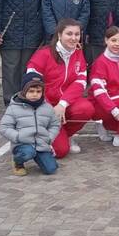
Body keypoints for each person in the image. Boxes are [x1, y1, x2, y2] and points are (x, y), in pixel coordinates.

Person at [25, 19, 95, 158]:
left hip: (64, 103)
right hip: (45, 106)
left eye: (77, 34)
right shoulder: (43, 54)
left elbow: (80, 82)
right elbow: (32, 86)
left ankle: (66, 134)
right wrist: (48, 108)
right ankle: (42, 135)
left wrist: (63, 104)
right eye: (69, 34)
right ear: (59, 34)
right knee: (61, 152)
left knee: (86, 108)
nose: (74, 38)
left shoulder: (78, 53)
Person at [0, 72, 60, 176]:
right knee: (27, 152)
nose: (35, 94)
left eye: (38, 91)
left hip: (41, 144)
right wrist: (17, 137)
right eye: (31, 91)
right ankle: (18, 162)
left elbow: (55, 124)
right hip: (22, 144)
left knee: (51, 169)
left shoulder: (47, 107)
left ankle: (40, 156)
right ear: (24, 91)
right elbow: (4, 127)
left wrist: (49, 137)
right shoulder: (14, 108)